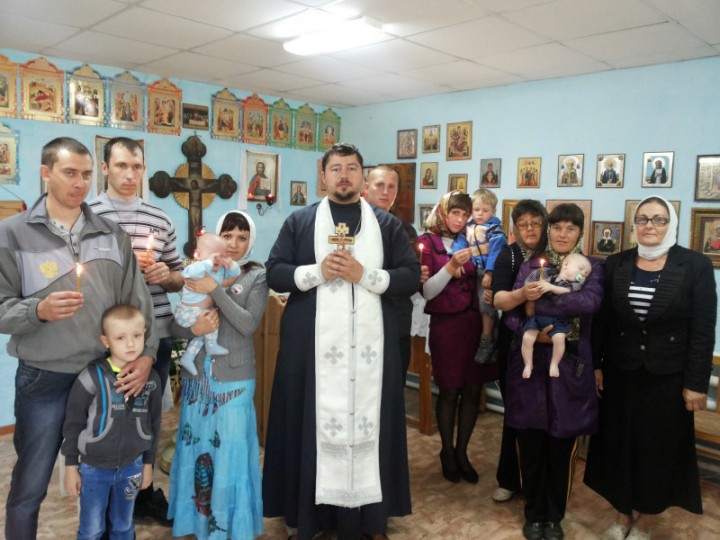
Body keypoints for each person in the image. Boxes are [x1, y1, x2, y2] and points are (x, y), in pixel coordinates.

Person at [0, 137, 157, 540]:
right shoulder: (12, 235)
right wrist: (37, 310)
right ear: (45, 173)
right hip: (45, 377)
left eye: (86, 175)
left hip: (107, 377)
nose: (80, 183)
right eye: (70, 173)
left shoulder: (111, 234)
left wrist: (147, 355)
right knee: (31, 484)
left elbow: (138, 304)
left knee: (109, 477)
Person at [262, 143, 419, 540]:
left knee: (371, 426)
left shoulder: (386, 225)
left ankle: (369, 518)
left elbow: (410, 276)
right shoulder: (300, 221)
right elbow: (274, 272)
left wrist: (364, 275)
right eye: (336, 168)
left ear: (363, 177)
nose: (344, 175)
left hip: (370, 351)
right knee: (308, 424)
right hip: (311, 352)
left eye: (352, 168)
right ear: (323, 176)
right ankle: (309, 519)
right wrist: (318, 271)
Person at [584, 196, 717, 540]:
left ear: (671, 223)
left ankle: (646, 518)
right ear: (635, 224)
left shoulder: (695, 266)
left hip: (668, 379)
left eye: (659, 219)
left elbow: (703, 329)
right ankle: (622, 512)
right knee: (619, 446)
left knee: (657, 450)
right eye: (642, 219)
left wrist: (696, 384)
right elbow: (603, 322)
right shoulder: (617, 263)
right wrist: (596, 365)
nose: (649, 226)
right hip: (621, 373)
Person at [89, 136, 184, 524]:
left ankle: (143, 493)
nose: (130, 174)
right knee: (107, 419)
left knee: (147, 417)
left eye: (136, 166)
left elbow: (179, 276)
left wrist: (165, 275)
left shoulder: (160, 218)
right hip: (105, 338)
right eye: (121, 165)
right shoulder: (88, 215)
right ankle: (105, 497)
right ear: (105, 168)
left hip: (154, 332)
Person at [501, 203, 604, 540]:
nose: (562, 234)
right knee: (530, 445)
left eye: (570, 228)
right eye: (557, 227)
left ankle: (554, 517)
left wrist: (540, 300)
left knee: (562, 448)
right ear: (549, 230)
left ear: (580, 233)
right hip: (530, 368)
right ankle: (533, 514)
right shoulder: (531, 266)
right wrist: (529, 325)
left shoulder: (592, 267)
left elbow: (590, 302)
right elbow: (512, 313)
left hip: (570, 369)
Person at [168, 210, 267, 539]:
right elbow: (178, 320)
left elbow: (247, 323)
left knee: (230, 452)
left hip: (234, 378)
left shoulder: (255, 275)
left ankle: (230, 527)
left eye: (242, 237)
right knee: (196, 446)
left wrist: (216, 290)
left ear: (250, 241)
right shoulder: (199, 267)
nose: (234, 244)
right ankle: (196, 523)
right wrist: (193, 328)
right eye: (227, 236)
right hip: (198, 377)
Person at [62, 305, 162, 540]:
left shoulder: (152, 380)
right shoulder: (91, 377)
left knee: (123, 526)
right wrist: (70, 467)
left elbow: (154, 425)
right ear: (106, 341)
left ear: (145, 335)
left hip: (132, 467)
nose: (130, 344)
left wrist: (148, 464)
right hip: (93, 470)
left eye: (136, 335)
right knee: (92, 529)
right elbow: (73, 424)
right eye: (120, 338)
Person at [419, 190, 497, 485]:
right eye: (455, 213)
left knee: (473, 390)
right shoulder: (428, 243)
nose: (461, 219)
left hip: (475, 323)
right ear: (442, 211)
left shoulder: (475, 237)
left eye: (466, 214)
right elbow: (427, 291)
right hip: (447, 326)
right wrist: (450, 267)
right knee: (450, 390)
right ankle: (447, 452)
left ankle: (463, 451)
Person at [490, 200, 548, 504]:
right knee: (515, 411)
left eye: (536, 223)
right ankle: (509, 478)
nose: (530, 230)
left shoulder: (553, 253)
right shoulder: (509, 254)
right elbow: (498, 299)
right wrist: (522, 295)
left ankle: (538, 480)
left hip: (548, 344)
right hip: (514, 343)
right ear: (514, 228)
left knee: (542, 414)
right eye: (523, 225)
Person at [452, 188, 507, 364]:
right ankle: (492, 337)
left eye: (485, 210)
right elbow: (460, 243)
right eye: (476, 210)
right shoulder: (468, 227)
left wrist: (490, 272)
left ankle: (487, 339)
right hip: (473, 270)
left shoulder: (494, 229)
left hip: (487, 271)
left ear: (493, 211)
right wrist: (456, 260)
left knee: (486, 302)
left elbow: (496, 252)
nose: (480, 214)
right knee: (478, 303)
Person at [174, 233, 240, 375]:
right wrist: (207, 262)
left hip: (199, 313)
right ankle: (211, 345)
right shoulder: (197, 268)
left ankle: (188, 357)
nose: (217, 258)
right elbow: (188, 273)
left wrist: (231, 264)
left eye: (221, 255)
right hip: (187, 312)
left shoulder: (219, 271)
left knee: (203, 332)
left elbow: (235, 273)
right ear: (198, 255)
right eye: (212, 254)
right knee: (210, 320)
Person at [521, 253, 592, 379]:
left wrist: (550, 287)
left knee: (559, 339)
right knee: (527, 337)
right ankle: (528, 364)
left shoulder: (574, 285)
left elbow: (565, 291)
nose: (583, 274)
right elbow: (530, 287)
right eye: (581, 269)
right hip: (538, 317)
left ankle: (554, 364)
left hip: (557, 320)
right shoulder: (548, 276)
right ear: (566, 264)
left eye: (586, 274)